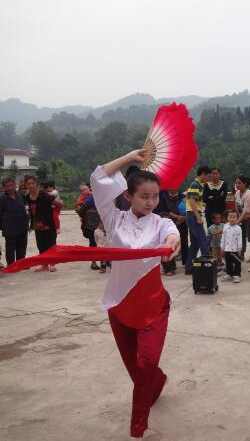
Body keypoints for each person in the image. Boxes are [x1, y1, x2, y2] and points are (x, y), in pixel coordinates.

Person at [90, 149, 180, 439]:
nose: (151, 202)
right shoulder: (114, 220)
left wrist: (171, 243)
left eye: (155, 196)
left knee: (145, 363)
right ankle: (157, 381)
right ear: (128, 196)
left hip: (153, 306)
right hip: (120, 305)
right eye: (144, 196)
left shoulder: (160, 223)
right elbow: (98, 178)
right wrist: (130, 157)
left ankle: (138, 427)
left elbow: (172, 234)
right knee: (136, 369)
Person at [24, 175, 62, 272]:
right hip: (37, 225)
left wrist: (56, 210)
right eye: (28, 184)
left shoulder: (43, 194)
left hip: (48, 224)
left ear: (36, 184)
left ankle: (52, 264)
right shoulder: (27, 197)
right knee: (41, 245)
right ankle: (44, 265)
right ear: (26, 185)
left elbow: (58, 203)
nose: (31, 185)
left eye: (32, 183)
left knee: (51, 244)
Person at [184, 165, 211, 275]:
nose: (208, 179)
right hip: (193, 215)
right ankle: (207, 266)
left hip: (191, 215)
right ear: (203, 174)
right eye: (208, 176)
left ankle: (189, 268)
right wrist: (198, 217)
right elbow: (192, 202)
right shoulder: (195, 185)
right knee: (204, 241)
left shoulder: (198, 184)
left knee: (195, 244)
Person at [0, 177, 29, 266]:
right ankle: (11, 265)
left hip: (22, 226)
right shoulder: (2, 199)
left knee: (22, 246)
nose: (10, 188)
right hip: (9, 227)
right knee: (10, 248)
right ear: (4, 188)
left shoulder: (21, 196)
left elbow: (25, 208)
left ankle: (21, 264)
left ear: (15, 185)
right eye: (7, 186)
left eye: (11, 185)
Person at [158, 188, 187, 273]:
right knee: (168, 244)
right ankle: (169, 267)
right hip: (168, 222)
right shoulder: (163, 197)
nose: (172, 188)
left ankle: (186, 262)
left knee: (184, 241)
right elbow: (164, 210)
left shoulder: (183, 196)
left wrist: (182, 218)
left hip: (182, 222)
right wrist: (177, 217)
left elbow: (188, 209)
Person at [77, 191, 102, 270]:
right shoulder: (93, 197)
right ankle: (97, 262)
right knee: (95, 243)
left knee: (95, 242)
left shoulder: (92, 197)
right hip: (95, 224)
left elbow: (81, 211)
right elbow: (81, 210)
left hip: (95, 223)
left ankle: (98, 262)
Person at [234, 175, 250, 262]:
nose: (237, 185)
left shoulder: (249, 194)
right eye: (236, 183)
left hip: (249, 218)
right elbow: (235, 204)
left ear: (245, 183)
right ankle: (241, 254)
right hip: (240, 217)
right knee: (241, 237)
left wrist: (238, 221)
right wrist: (236, 217)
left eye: (239, 183)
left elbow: (245, 210)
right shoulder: (237, 193)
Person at [221, 210, 243, 283]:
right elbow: (223, 237)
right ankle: (229, 274)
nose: (232, 219)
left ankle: (236, 275)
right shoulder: (225, 226)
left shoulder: (238, 228)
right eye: (230, 217)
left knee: (237, 262)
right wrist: (222, 247)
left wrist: (239, 248)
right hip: (227, 249)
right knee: (228, 262)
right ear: (227, 218)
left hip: (235, 250)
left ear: (237, 218)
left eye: (234, 217)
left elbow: (240, 239)